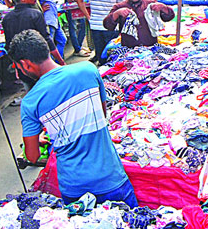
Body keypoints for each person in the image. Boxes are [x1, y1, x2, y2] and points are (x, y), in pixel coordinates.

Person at [10, 30, 137, 207]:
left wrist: (38, 139)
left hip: (74, 187)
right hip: (111, 177)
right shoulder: (88, 70)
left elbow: (32, 157)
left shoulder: (31, 102)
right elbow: (101, 114)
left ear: (25, 64)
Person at [3, 0, 65, 95]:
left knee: (32, 95)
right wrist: (60, 61)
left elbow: (9, 47)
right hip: (40, 67)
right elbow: (47, 40)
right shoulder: (35, 15)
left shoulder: (7, 19)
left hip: (24, 70)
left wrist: (17, 66)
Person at [103, 0, 175, 47]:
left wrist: (163, 7)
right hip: (129, 52)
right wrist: (117, 13)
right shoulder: (119, 7)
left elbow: (169, 16)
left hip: (150, 49)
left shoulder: (150, 5)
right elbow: (107, 25)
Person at [77, 0, 124, 64]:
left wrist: (88, 17)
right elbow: (122, 9)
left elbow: (79, 0)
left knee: (101, 56)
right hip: (111, 28)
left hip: (95, 26)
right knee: (113, 58)